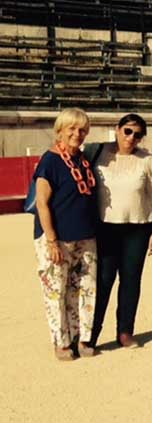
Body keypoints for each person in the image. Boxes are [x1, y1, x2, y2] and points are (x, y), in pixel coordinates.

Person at [32, 108, 101, 361]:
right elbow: (42, 202)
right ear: (60, 130)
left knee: (85, 289)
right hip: (57, 238)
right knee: (56, 290)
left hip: (86, 236)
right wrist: (51, 240)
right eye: (71, 128)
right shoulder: (49, 161)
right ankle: (60, 342)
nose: (77, 133)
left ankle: (81, 338)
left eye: (82, 129)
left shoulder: (82, 160)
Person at [91, 113, 152, 350]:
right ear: (117, 129)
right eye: (128, 131)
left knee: (131, 281)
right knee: (103, 280)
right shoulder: (98, 153)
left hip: (138, 228)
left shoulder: (146, 159)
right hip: (106, 227)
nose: (132, 138)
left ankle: (125, 332)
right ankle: (91, 333)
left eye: (138, 134)